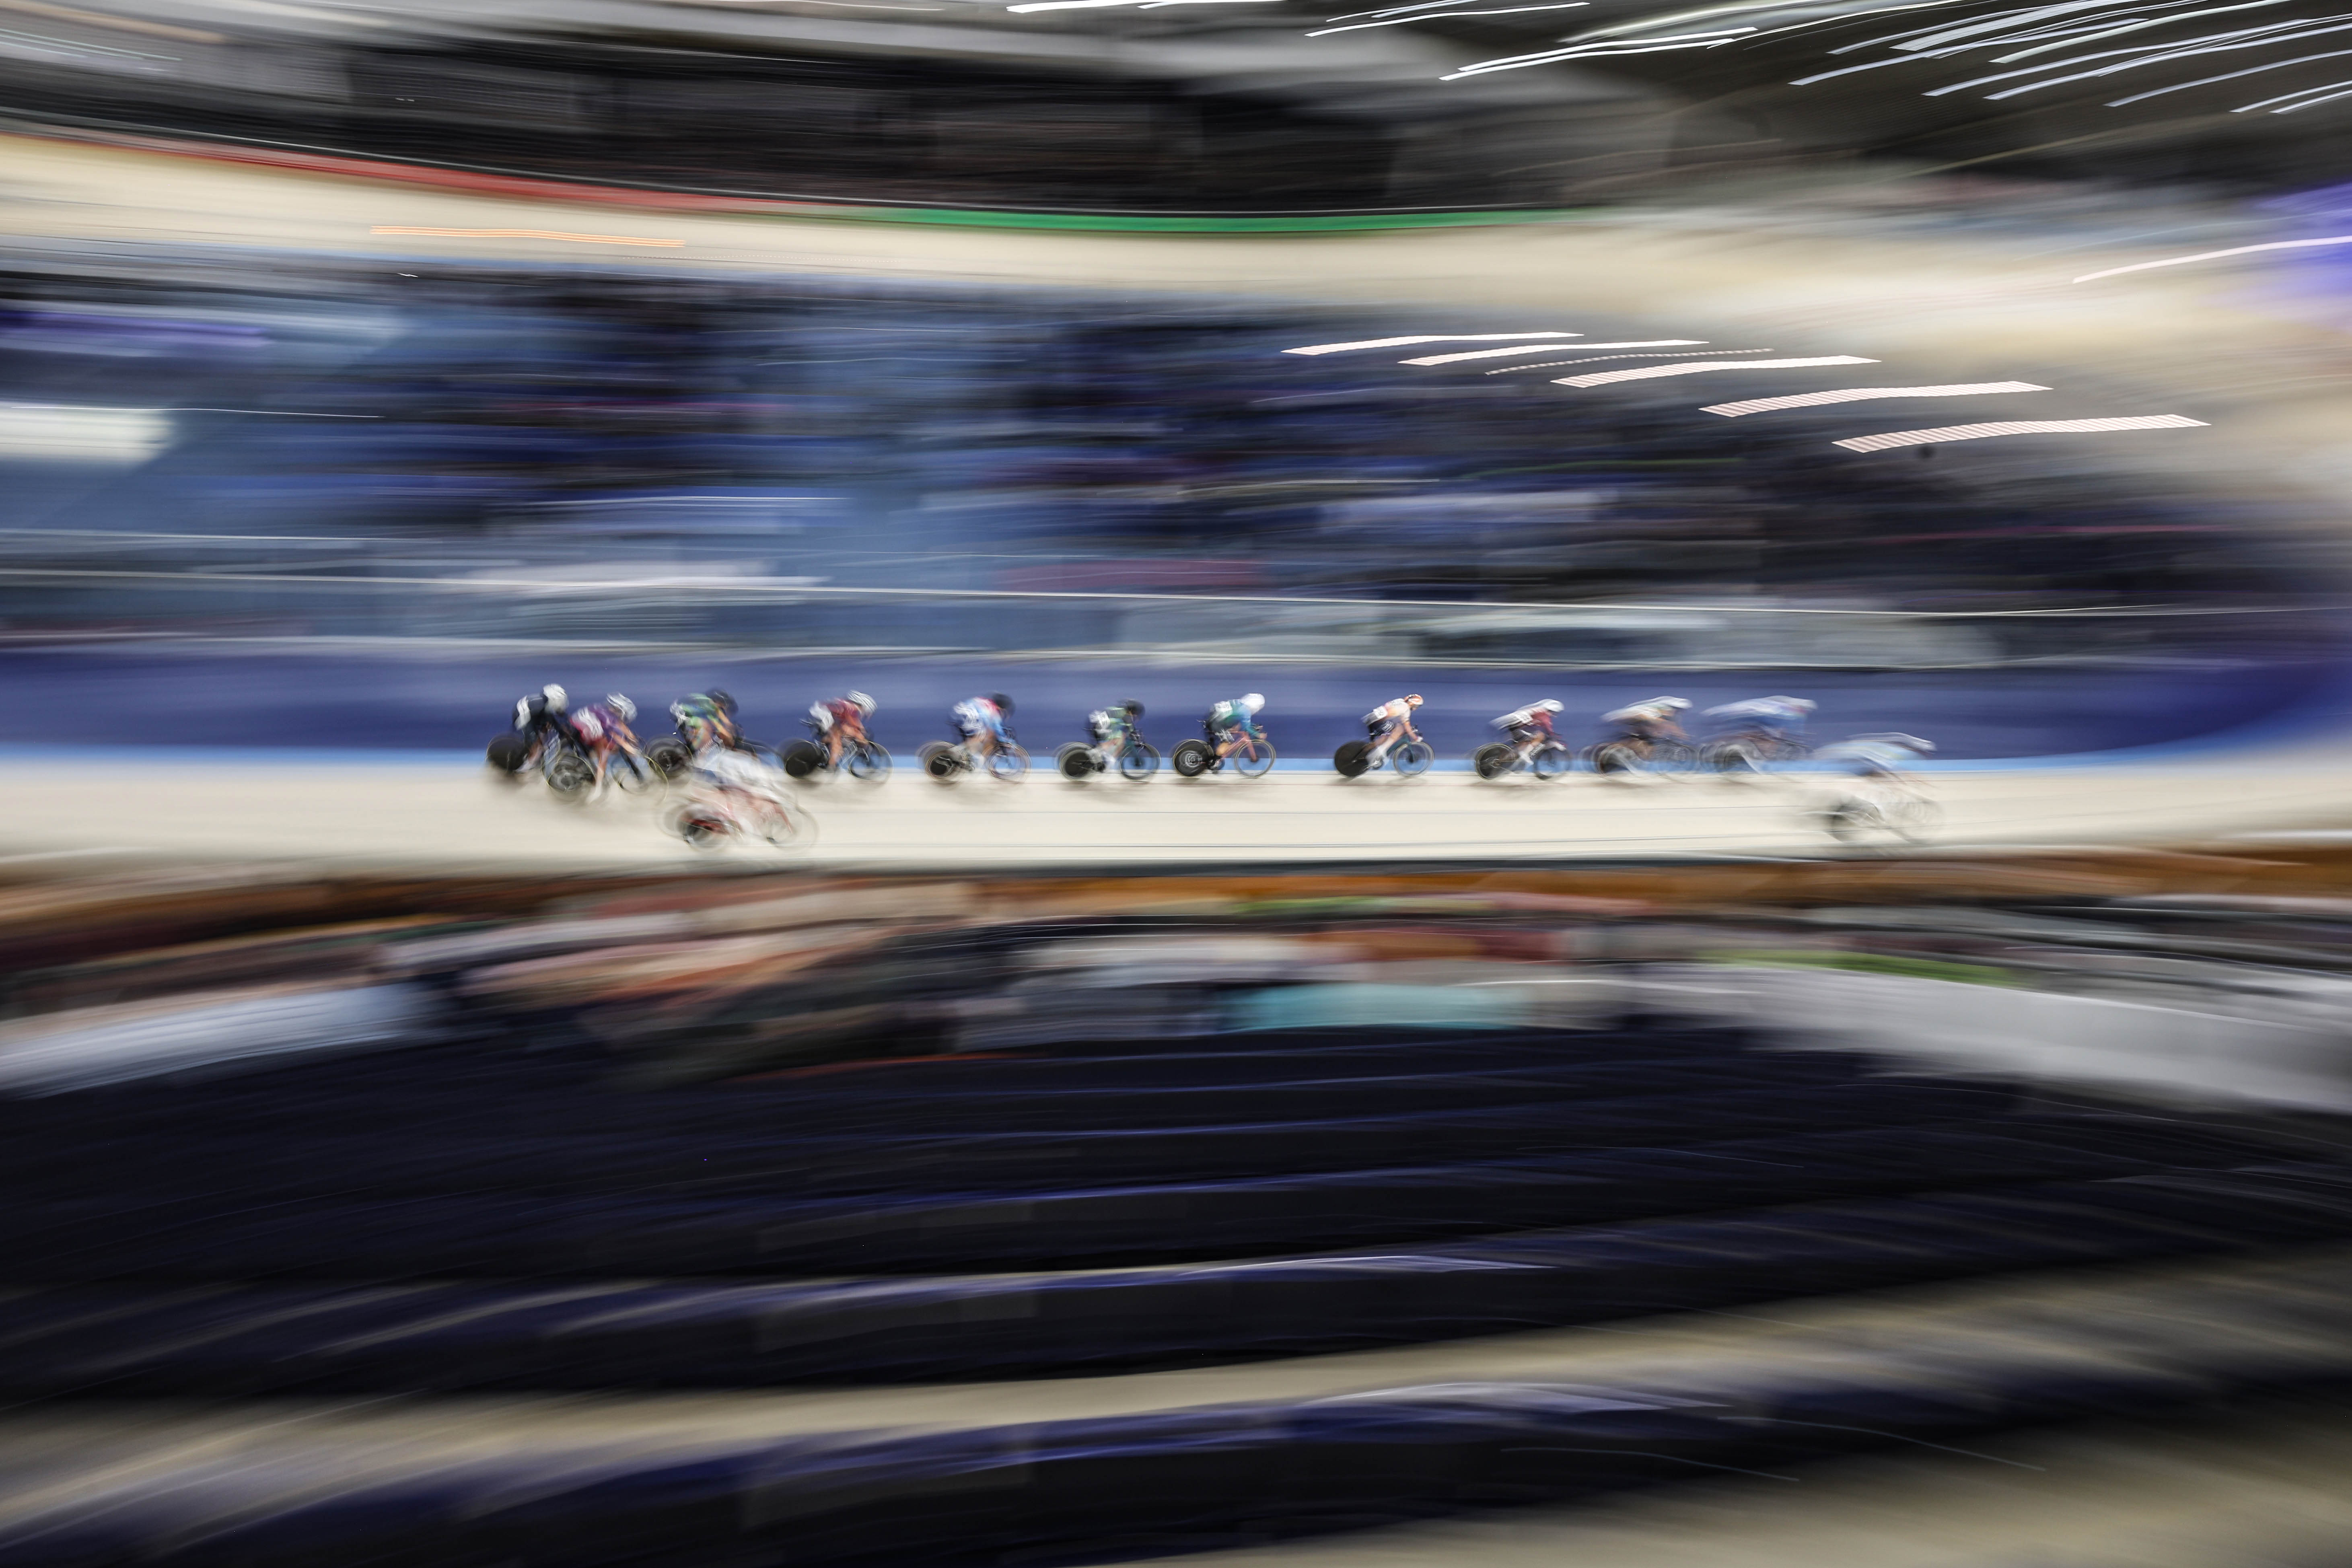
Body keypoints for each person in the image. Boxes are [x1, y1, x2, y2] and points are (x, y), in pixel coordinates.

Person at [567, 693, 641, 793]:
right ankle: (598, 788)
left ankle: (593, 771)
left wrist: (630, 736)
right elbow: (613, 733)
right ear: (619, 710)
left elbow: (619, 724)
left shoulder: (605, 712)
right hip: (581, 732)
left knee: (607, 744)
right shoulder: (607, 717)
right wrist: (627, 746)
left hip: (579, 729)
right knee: (605, 752)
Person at [1705, 696, 1815, 747]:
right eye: (1802, 710)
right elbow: (1783, 728)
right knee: (1768, 739)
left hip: (1755, 716)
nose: (1803, 712)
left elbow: (1786, 728)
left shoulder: (1791, 710)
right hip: (1757, 717)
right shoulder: (1788, 711)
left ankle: (1722, 743)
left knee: (1763, 736)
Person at [1600, 696, 1691, 755]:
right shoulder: (1665, 708)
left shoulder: (1669, 712)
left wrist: (1682, 736)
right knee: (1646, 736)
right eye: (1679, 710)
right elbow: (1666, 724)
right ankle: (1612, 748)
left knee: (1647, 744)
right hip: (1633, 717)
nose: (1679, 712)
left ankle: (1622, 750)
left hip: (1637, 719)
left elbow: (1673, 727)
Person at [808, 691, 877, 769]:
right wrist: (861, 736)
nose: (865, 713)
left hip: (824, 713)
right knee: (837, 743)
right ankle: (831, 766)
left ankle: (822, 747)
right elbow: (852, 724)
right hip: (822, 714)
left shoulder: (849, 706)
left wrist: (860, 732)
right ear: (864, 706)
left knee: (840, 733)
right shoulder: (852, 708)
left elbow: (853, 724)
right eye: (866, 711)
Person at [511, 683, 569, 765]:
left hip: (533, 716)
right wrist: (536, 741)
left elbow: (555, 720)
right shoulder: (538, 707)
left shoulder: (546, 706)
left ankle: (539, 755)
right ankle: (529, 764)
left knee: (551, 727)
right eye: (561, 701)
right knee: (536, 744)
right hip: (524, 718)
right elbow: (527, 726)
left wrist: (562, 732)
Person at [1493, 699, 1564, 762]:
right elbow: (1549, 729)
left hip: (1511, 725)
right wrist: (1556, 741)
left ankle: (1507, 758)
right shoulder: (1544, 714)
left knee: (1525, 742)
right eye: (1555, 713)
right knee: (1540, 736)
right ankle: (1525, 754)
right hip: (1516, 726)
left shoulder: (1537, 710)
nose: (1554, 715)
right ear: (1553, 710)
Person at [669, 691, 739, 754]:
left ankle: (690, 750)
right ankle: (693, 752)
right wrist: (729, 737)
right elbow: (718, 724)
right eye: (723, 705)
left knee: (705, 732)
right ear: (719, 702)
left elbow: (722, 721)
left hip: (681, 712)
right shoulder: (709, 703)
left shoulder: (711, 706)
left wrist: (729, 730)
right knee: (706, 727)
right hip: (679, 711)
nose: (724, 708)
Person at [951, 692, 1014, 762]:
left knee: (983, 735)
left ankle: (965, 754)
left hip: (960, 712)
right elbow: (996, 727)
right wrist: (1006, 740)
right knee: (983, 735)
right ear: (1001, 707)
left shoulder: (988, 703)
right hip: (967, 714)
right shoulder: (992, 709)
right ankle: (957, 753)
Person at [1363, 693, 1424, 763]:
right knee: (1399, 731)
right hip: (1378, 721)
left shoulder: (1400, 701)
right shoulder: (1407, 709)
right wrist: (1416, 738)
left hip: (1371, 717)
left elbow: (1395, 714)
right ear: (1412, 704)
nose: (1416, 709)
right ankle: (1378, 753)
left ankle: (1369, 749)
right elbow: (1407, 727)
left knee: (1394, 729)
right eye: (1416, 707)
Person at [1206, 693, 1265, 762]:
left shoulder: (1240, 703)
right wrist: (1259, 735)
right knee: (1228, 742)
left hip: (1216, 717)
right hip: (1217, 722)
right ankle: (1214, 762)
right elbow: (1246, 728)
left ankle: (1213, 753)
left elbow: (1243, 722)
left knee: (1235, 728)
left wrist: (1253, 726)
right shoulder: (1246, 712)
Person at [1088, 700, 1144, 764]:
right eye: (1135, 713)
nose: (1135, 716)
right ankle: (1107, 756)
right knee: (1120, 736)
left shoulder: (1120, 710)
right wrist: (1138, 740)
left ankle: (1099, 752)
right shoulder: (1126, 715)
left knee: (1116, 736)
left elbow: (1129, 729)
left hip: (1096, 721)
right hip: (1100, 723)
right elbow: (1132, 730)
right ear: (1132, 711)